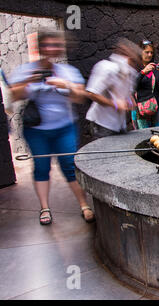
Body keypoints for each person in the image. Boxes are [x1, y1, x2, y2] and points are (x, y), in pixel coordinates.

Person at [8, 29, 95, 225]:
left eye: (55, 44)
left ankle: (84, 205)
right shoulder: (26, 70)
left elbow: (80, 97)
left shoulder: (68, 72)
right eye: (47, 44)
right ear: (40, 47)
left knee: (70, 166)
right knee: (41, 167)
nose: (51, 48)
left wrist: (65, 85)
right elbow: (14, 96)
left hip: (65, 127)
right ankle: (45, 208)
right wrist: (30, 80)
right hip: (36, 131)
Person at [85, 38, 141, 139]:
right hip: (103, 123)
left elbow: (127, 93)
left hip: (119, 124)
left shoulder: (131, 72)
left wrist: (130, 100)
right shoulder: (107, 68)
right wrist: (115, 104)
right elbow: (92, 93)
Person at [132, 39, 159, 129]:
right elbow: (131, 87)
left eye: (151, 52)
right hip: (141, 110)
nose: (149, 55)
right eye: (146, 52)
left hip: (158, 110)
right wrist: (142, 73)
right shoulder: (135, 69)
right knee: (143, 138)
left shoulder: (157, 69)